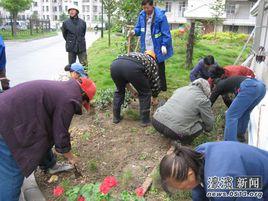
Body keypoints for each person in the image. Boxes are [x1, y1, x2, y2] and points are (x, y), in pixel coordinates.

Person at [0, 78, 96, 200]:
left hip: (10, 112)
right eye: (84, 103)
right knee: (13, 170)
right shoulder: (69, 99)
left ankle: (49, 165)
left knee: (44, 134)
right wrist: (71, 157)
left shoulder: (63, 90)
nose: (82, 105)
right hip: (5, 123)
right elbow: (61, 134)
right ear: (83, 96)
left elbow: (52, 130)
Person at [160, 141, 268, 201]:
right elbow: (198, 188)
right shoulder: (198, 155)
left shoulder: (221, 188)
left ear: (190, 174)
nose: (184, 190)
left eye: (183, 188)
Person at [152, 78, 214, 144]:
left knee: (163, 103)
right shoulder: (204, 100)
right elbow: (209, 122)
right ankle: (184, 141)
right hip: (175, 133)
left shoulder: (181, 89)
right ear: (206, 90)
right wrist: (207, 128)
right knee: (202, 125)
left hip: (156, 122)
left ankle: (164, 129)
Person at [130, 0, 173, 91]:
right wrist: (134, 32)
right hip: (146, 45)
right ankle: (149, 87)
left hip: (157, 47)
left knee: (159, 67)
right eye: (144, 8)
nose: (146, 10)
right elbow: (138, 28)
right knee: (147, 67)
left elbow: (166, 32)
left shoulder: (160, 16)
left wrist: (164, 45)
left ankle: (162, 87)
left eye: (147, 8)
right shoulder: (142, 15)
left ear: (152, 6)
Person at [110, 51, 161, 126]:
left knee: (119, 91)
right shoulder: (152, 61)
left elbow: (124, 75)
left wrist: (132, 90)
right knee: (145, 92)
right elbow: (155, 82)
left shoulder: (138, 55)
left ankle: (116, 117)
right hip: (132, 67)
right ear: (154, 58)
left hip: (115, 65)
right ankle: (145, 121)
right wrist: (155, 97)